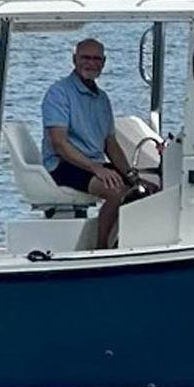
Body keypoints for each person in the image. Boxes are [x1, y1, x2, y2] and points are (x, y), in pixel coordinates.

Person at [42, 37, 152, 249]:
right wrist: (96, 169)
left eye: (96, 59)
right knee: (114, 190)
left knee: (146, 188)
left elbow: (110, 144)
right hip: (63, 165)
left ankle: (128, 243)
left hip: (93, 164)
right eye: (85, 58)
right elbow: (59, 144)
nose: (91, 63)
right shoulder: (59, 93)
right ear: (74, 59)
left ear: (104, 62)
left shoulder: (102, 99)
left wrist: (132, 175)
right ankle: (101, 249)